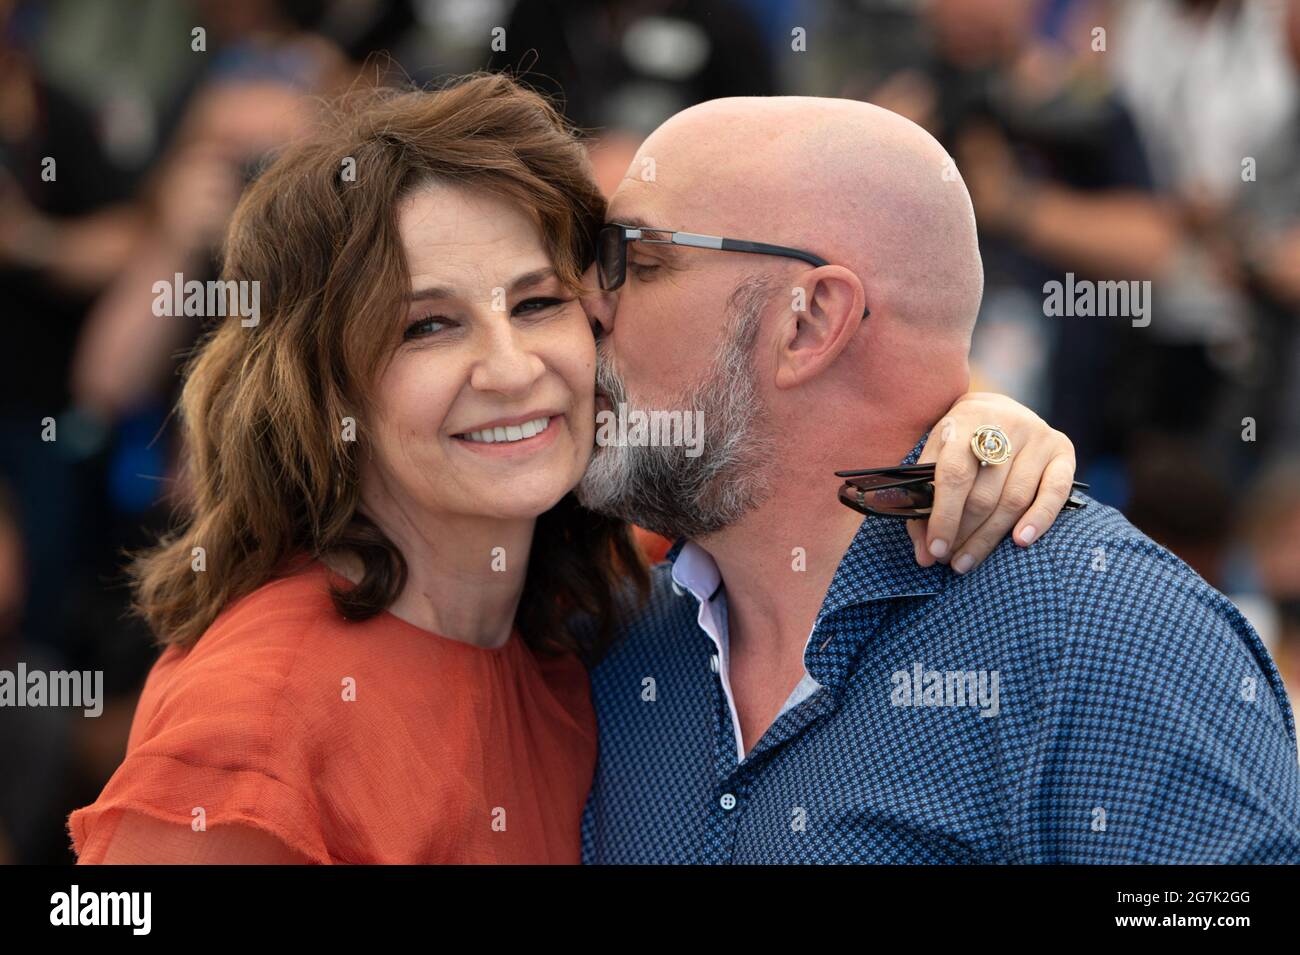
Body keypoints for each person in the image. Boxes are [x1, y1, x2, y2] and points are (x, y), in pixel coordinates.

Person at [67, 75, 1077, 864]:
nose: (511, 371)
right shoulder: (252, 715)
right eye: (428, 325)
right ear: (322, 384)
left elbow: (832, 412)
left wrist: (982, 420)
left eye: (538, 301)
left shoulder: (598, 607)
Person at [577, 95, 1300, 863]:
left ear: (811, 320)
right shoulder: (611, 642)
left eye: (636, 260)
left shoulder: (1111, 637)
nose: (590, 300)